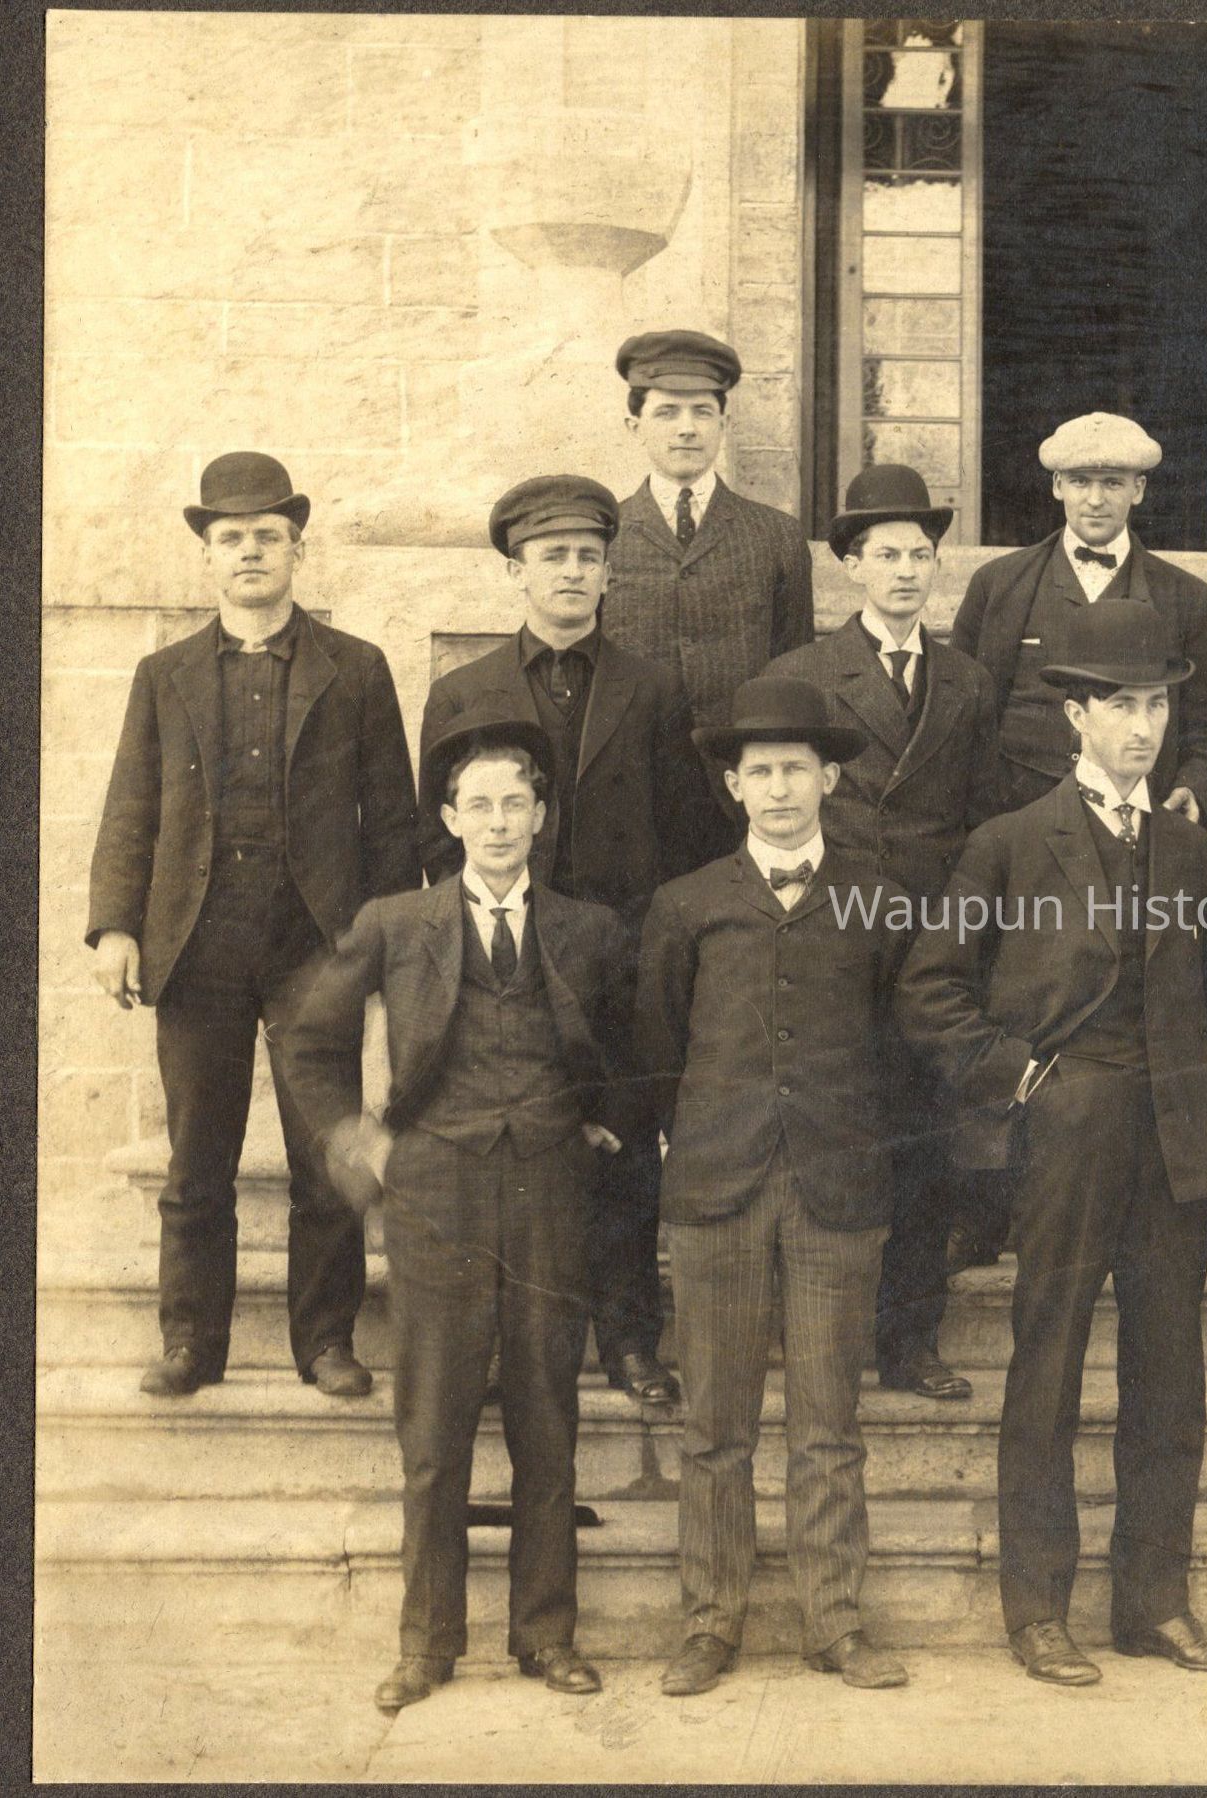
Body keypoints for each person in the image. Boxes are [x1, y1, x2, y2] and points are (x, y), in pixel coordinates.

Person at [900, 599, 1207, 1688]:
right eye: (1120, 706)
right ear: (1075, 716)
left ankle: (1155, 1604)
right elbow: (930, 990)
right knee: (1048, 1367)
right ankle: (1038, 1611)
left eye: (1157, 705)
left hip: (1177, 1141)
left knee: (1170, 1375)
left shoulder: (1190, 849)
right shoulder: (1011, 842)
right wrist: (1022, 1079)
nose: (1143, 726)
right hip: (1064, 1134)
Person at [287, 702, 634, 1715]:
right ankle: (427, 1643)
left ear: (540, 815)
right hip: (436, 1191)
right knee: (434, 1428)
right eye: (478, 805)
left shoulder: (589, 929)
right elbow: (309, 1037)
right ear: (448, 818)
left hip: (550, 1192)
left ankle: (546, 1635)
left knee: (547, 1418)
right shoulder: (397, 923)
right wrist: (353, 1137)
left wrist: (606, 1120)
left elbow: (634, 1037)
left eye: (514, 803)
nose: (497, 822)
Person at [86, 451, 417, 1400]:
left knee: (324, 1156)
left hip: (319, 948)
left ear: (298, 549)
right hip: (197, 943)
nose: (250, 552)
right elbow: (131, 807)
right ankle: (192, 1342)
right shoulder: (164, 675)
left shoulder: (357, 668)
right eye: (231, 537)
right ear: (207, 556)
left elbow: (391, 820)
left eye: (268, 535)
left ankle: (326, 1342)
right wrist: (115, 928)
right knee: (198, 1157)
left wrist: (388, 945)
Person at [637, 676, 915, 1695]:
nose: (781, 788)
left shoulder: (879, 899)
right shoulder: (689, 903)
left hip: (838, 1188)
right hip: (717, 1188)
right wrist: (688, 1144)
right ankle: (710, 1621)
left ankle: (834, 1621)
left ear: (830, 779)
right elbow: (658, 1047)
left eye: (798, 768)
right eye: (761, 772)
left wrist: (861, 1143)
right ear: (734, 786)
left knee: (828, 1426)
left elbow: (899, 1046)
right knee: (715, 1426)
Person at [416, 474, 716, 1411]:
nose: (573, 572)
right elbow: (435, 838)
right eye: (553, 557)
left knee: (624, 1148)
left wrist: (655, 947)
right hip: (503, 958)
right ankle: (504, 1344)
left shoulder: (653, 688)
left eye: (589, 557)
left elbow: (688, 831)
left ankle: (629, 1340)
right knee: (507, 1148)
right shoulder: (462, 691)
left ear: (609, 574)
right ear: (517, 572)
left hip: (620, 958)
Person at [763, 463, 997, 1402]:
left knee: (924, 1141)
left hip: (929, 943)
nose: (905, 571)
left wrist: (961, 933)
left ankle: (910, 1342)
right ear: (851, 565)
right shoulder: (802, 676)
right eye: (887, 554)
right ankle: (814, 1336)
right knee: (824, 1135)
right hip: (832, 933)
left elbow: (982, 818)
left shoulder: (967, 681)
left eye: (920, 555)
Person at [950, 411, 1207, 827]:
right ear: (1057, 485)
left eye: (1113, 483)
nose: (1095, 499)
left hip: (1137, 819)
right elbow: (957, 712)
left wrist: (1195, 786)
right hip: (1017, 820)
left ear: (1138, 489)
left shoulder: (1185, 596)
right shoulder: (998, 584)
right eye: (1080, 481)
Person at [602, 329, 814, 835]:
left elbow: (794, 668)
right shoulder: (603, 536)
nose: (686, 429)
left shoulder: (776, 536)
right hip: (632, 791)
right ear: (634, 425)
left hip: (743, 794)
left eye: (701, 411)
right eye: (666, 413)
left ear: (724, 422)